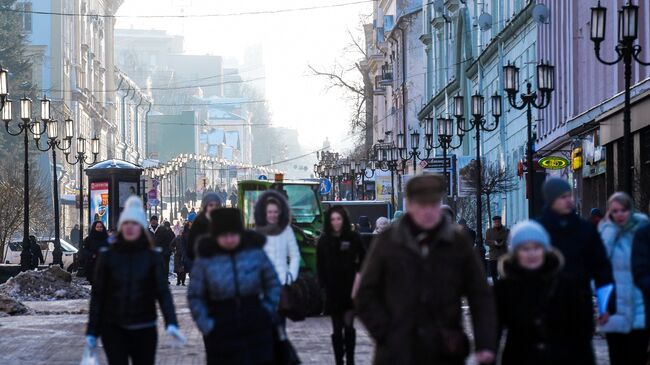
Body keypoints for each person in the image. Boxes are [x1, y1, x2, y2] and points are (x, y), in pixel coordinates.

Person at [356, 174, 496, 365]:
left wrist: (485, 344)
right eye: (422, 205)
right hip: (397, 352)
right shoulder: (389, 240)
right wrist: (386, 333)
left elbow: (480, 295)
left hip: (445, 349)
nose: (429, 211)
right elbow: (366, 293)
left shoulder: (456, 241)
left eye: (434, 204)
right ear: (410, 205)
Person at [86, 197, 184, 365]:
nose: (130, 227)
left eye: (135, 223)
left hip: (144, 327)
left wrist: (172, 322)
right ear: (121, 227)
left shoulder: (152, 257)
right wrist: (92, 331)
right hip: (113, 328)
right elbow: (98, 296)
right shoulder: (108, 256)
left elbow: (162, 292)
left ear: (141, 228)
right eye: (126, 223)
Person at [188, 208, 281, 365]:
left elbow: (272, 282)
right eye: (224, 236)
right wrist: (207, 325)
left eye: (233, 235)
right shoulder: (206, 258)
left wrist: (266, 310)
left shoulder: (255, 252)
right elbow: (195, 296)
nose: (230, 240)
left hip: (255, 325)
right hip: (220, 327)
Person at [537, 177, 615, 364]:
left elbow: (602, 269)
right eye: (563, 197)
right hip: (546, 309)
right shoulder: (539, 230)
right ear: (551, 199)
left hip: (580, 307)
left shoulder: (585, 230)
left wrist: (606, 306)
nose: (569, 200)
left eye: (569, 196)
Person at [495, 220, 590, 365]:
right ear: (515, 253)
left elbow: (580, 332)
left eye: (537, 248)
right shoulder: (504, 289)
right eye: (525, 249)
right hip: (519, 358)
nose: (531, 253)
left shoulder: (565, 285)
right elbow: (494, 331)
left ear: (545, 250)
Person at [598, 192, 649, 365]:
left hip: (639, 306)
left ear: (631, 210)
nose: (619, 215)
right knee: (617, 357)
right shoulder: (605, 233)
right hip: (614, 308)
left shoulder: (642, 231)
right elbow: (597, 267)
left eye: (623, 210)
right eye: (615, 211)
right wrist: (610, 232)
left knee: (637, 357)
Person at [317, 205, 365, 365]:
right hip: (333, 290)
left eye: (339, 219)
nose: (336, 222)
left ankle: (350, 359)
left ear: (344, 220)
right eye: (333, 219)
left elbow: (364, 260)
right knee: (337, 329)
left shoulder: (353, 237)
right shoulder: (324, 240)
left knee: (349, 326)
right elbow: (320, 266)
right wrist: (323, 285)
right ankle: (339, 360)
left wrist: (358, 278)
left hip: (350, 288)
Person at [254, 190, 301, 286]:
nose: (273, 215)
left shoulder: (286, 231)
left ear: (279, 213)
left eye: (275, 212)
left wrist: (291, 276)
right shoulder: (256, 232)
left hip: (282, 282)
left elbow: (295, 255)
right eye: (270, 212)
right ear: (265, 213)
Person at [187, 192, 222, 262]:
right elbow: (191, 244)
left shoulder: (224, 220)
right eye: (211, 205)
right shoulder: (199, 221)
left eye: (216, 205)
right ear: (206, 206)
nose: (214, 208)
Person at [485, 215, 510, 282]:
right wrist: (494, 243)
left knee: (503, 273)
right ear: (493, 222)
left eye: (498, 222)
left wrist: (503, 242)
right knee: (493, 273)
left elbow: (509, 240)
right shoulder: (489, 231)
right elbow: (486, 241)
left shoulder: (506, 231)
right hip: (493, 255)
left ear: (500, 222)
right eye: (495, 222)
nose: (497, 223)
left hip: (503, 255)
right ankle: (496, 286)